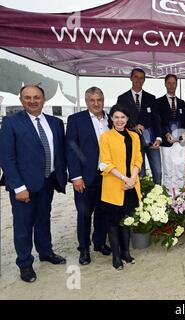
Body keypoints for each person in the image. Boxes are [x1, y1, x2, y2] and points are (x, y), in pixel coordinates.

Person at [0, 85, 67, 283]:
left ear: (43, 100)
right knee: (23, 224)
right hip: (23, 186)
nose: (32, 101)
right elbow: (6, 157)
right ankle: (25, 263)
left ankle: (45, 252)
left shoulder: (55, 122)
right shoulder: (11, 122)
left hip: (48, 181)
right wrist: (18, 187)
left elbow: (60, 152)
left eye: (36, 97)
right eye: (27, 97)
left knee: (43, 219)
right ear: (21, 100)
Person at [66, 87, 111, 266]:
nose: (96, 103)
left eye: (99, 99)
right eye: (92, 100)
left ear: (103, 100)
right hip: (85, 175)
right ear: (86, 102)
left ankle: (99, 242)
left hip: (107, 175)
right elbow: (71, 148)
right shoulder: (76, 120)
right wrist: (75, 176)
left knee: (103, 211)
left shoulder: (111, 119)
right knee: (84, 213)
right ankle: (84, 248)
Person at [99, 104, 143, 270]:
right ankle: (116, 256)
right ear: (111, 118)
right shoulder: (106, 137)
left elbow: (138, 159)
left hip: (131, 185)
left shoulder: (134, 136)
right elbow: (106, 163)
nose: (119, 120)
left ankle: (126, 252)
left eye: (122, 117)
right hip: (114, 185)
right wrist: (125, 178)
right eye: (116, 117)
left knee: (126, 221)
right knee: (113, 223)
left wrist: (132, 178)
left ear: (127, 119)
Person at [116, 68, 162, 183]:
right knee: (140, 173)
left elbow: (157, 120)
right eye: (136, 77)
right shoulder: (122, 98)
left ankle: (159, 197)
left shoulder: (151, 98)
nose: (138, 80)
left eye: (141, 78)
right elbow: (118, 120)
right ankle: (140, 198)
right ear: (131, 78)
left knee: (158, 171)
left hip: (151, 142)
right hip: (133, 141)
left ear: (144, 80)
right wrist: (133, 126)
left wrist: (159, 138)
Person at [157, 74, 185, 196]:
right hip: (166, 142)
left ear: (176, 84)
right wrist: (165, 134)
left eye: (173, 83)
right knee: (168, 171)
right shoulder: (158, 102)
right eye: (169, 83)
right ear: (165, 84)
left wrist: (184, 133)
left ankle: (181, 197)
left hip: (180, 142)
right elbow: (158, 121)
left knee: (180, 171)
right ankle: (168, 198)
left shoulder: (181, 102)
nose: (171, 85)